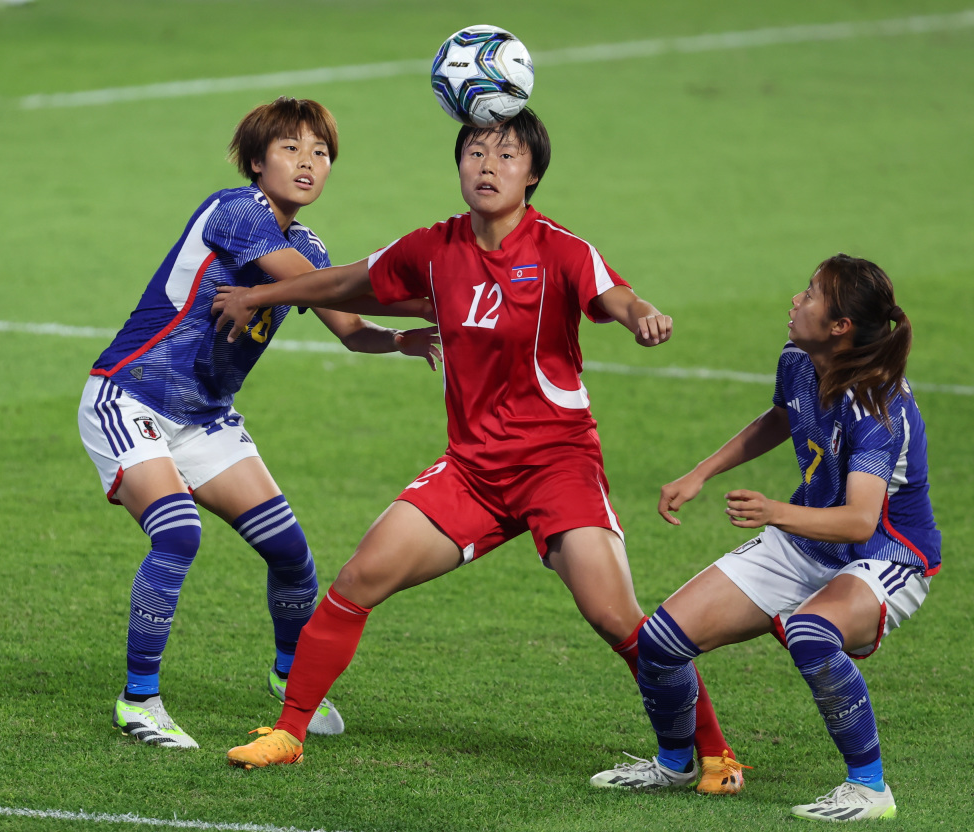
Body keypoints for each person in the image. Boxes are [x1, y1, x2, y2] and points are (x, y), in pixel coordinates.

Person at [214, 107, 746, 793]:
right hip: (471, 471)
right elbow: (346, 282)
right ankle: (288, 733)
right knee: (358, 580)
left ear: (533, 174)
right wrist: (262, 293)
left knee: (616, 617)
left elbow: (613, 294)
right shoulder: (434, 248)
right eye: (475, 152)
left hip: (558, 466)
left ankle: (715, 753)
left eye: (506, 155)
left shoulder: (560, 249)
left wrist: (640, 312)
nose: (488, 166)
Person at [78, 97, 440, 749]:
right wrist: (438, 293)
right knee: (178, 533)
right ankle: (138, 702)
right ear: (254, 160)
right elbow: (329, 287)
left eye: (321, 152)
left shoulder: (305, 245)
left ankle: (288, 680)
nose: (308, 162)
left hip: (206, 421)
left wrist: (403, 340)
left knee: (291, 555)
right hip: (129, 398)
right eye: (290, 148)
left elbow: (350, 329)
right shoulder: (235, 211)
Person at [591, 254, 940, 820]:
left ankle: (870, 789)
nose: (795, 301)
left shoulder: (877, 407)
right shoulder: (801, 359)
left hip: (886, 554)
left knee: (810, 633)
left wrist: (775, 511)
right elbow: (783, 416)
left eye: (810, 295)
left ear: (840, 327)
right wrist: (701, 472)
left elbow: (859, 521)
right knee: (659, 642)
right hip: (807, 537)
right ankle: (676, 762)